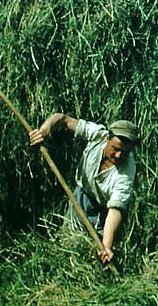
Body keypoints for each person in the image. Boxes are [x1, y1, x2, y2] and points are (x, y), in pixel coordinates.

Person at [29, 113, 139, 265]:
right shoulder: (97, 134)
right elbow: (62, 119)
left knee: (95, 255)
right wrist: (43, 131)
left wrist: (106, 247)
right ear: (107, 139)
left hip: (103, 211)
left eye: (125, 152)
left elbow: (115, 210)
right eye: (115, 148)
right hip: (80, 196)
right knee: (68, 241)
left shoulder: (126, 172)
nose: (119, 155)